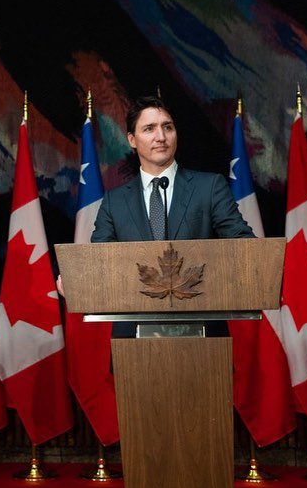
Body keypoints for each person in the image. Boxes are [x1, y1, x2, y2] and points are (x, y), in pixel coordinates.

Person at [89, 95, 254, 337]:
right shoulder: (114, 201)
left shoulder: (209, 187)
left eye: (167, 127)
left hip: (202, 334)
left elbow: (243, 245)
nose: (161, 137)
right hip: (134, 338)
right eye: (149, 129)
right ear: (132, 140)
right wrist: (75, 280)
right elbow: (98, 262)